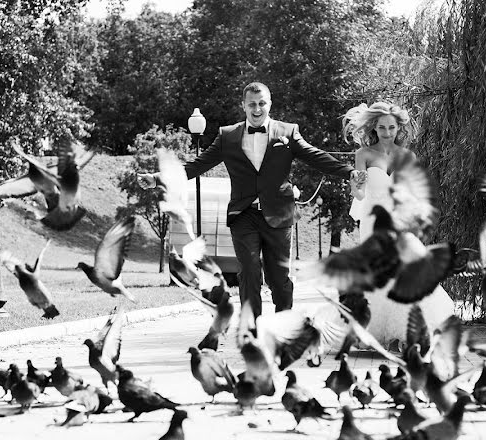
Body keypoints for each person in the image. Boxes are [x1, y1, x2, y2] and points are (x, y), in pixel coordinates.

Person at [139, 82, 365, 318]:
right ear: (243, 106)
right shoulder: (227, 136)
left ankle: (283, 324)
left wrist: (349, 172)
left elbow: (315, 156)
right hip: (243, 214)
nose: (257, 109)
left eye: (262, 104)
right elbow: (196, 165)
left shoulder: (287, 132)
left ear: (270, 104)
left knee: (278, 279)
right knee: (249, 271)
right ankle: (252, 330)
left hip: (278, 214)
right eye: (252, 105)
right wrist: (157, 178)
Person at [341, 101, 456, 348]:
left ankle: (404, 334)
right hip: (373, 220)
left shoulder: (407, 156)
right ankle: (377, 332)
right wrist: (354, 185)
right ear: (374, 128)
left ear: (398, 128)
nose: (387, 133)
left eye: (391, 127)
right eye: (382, 127)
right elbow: (360, 195)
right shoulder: (363, 154)